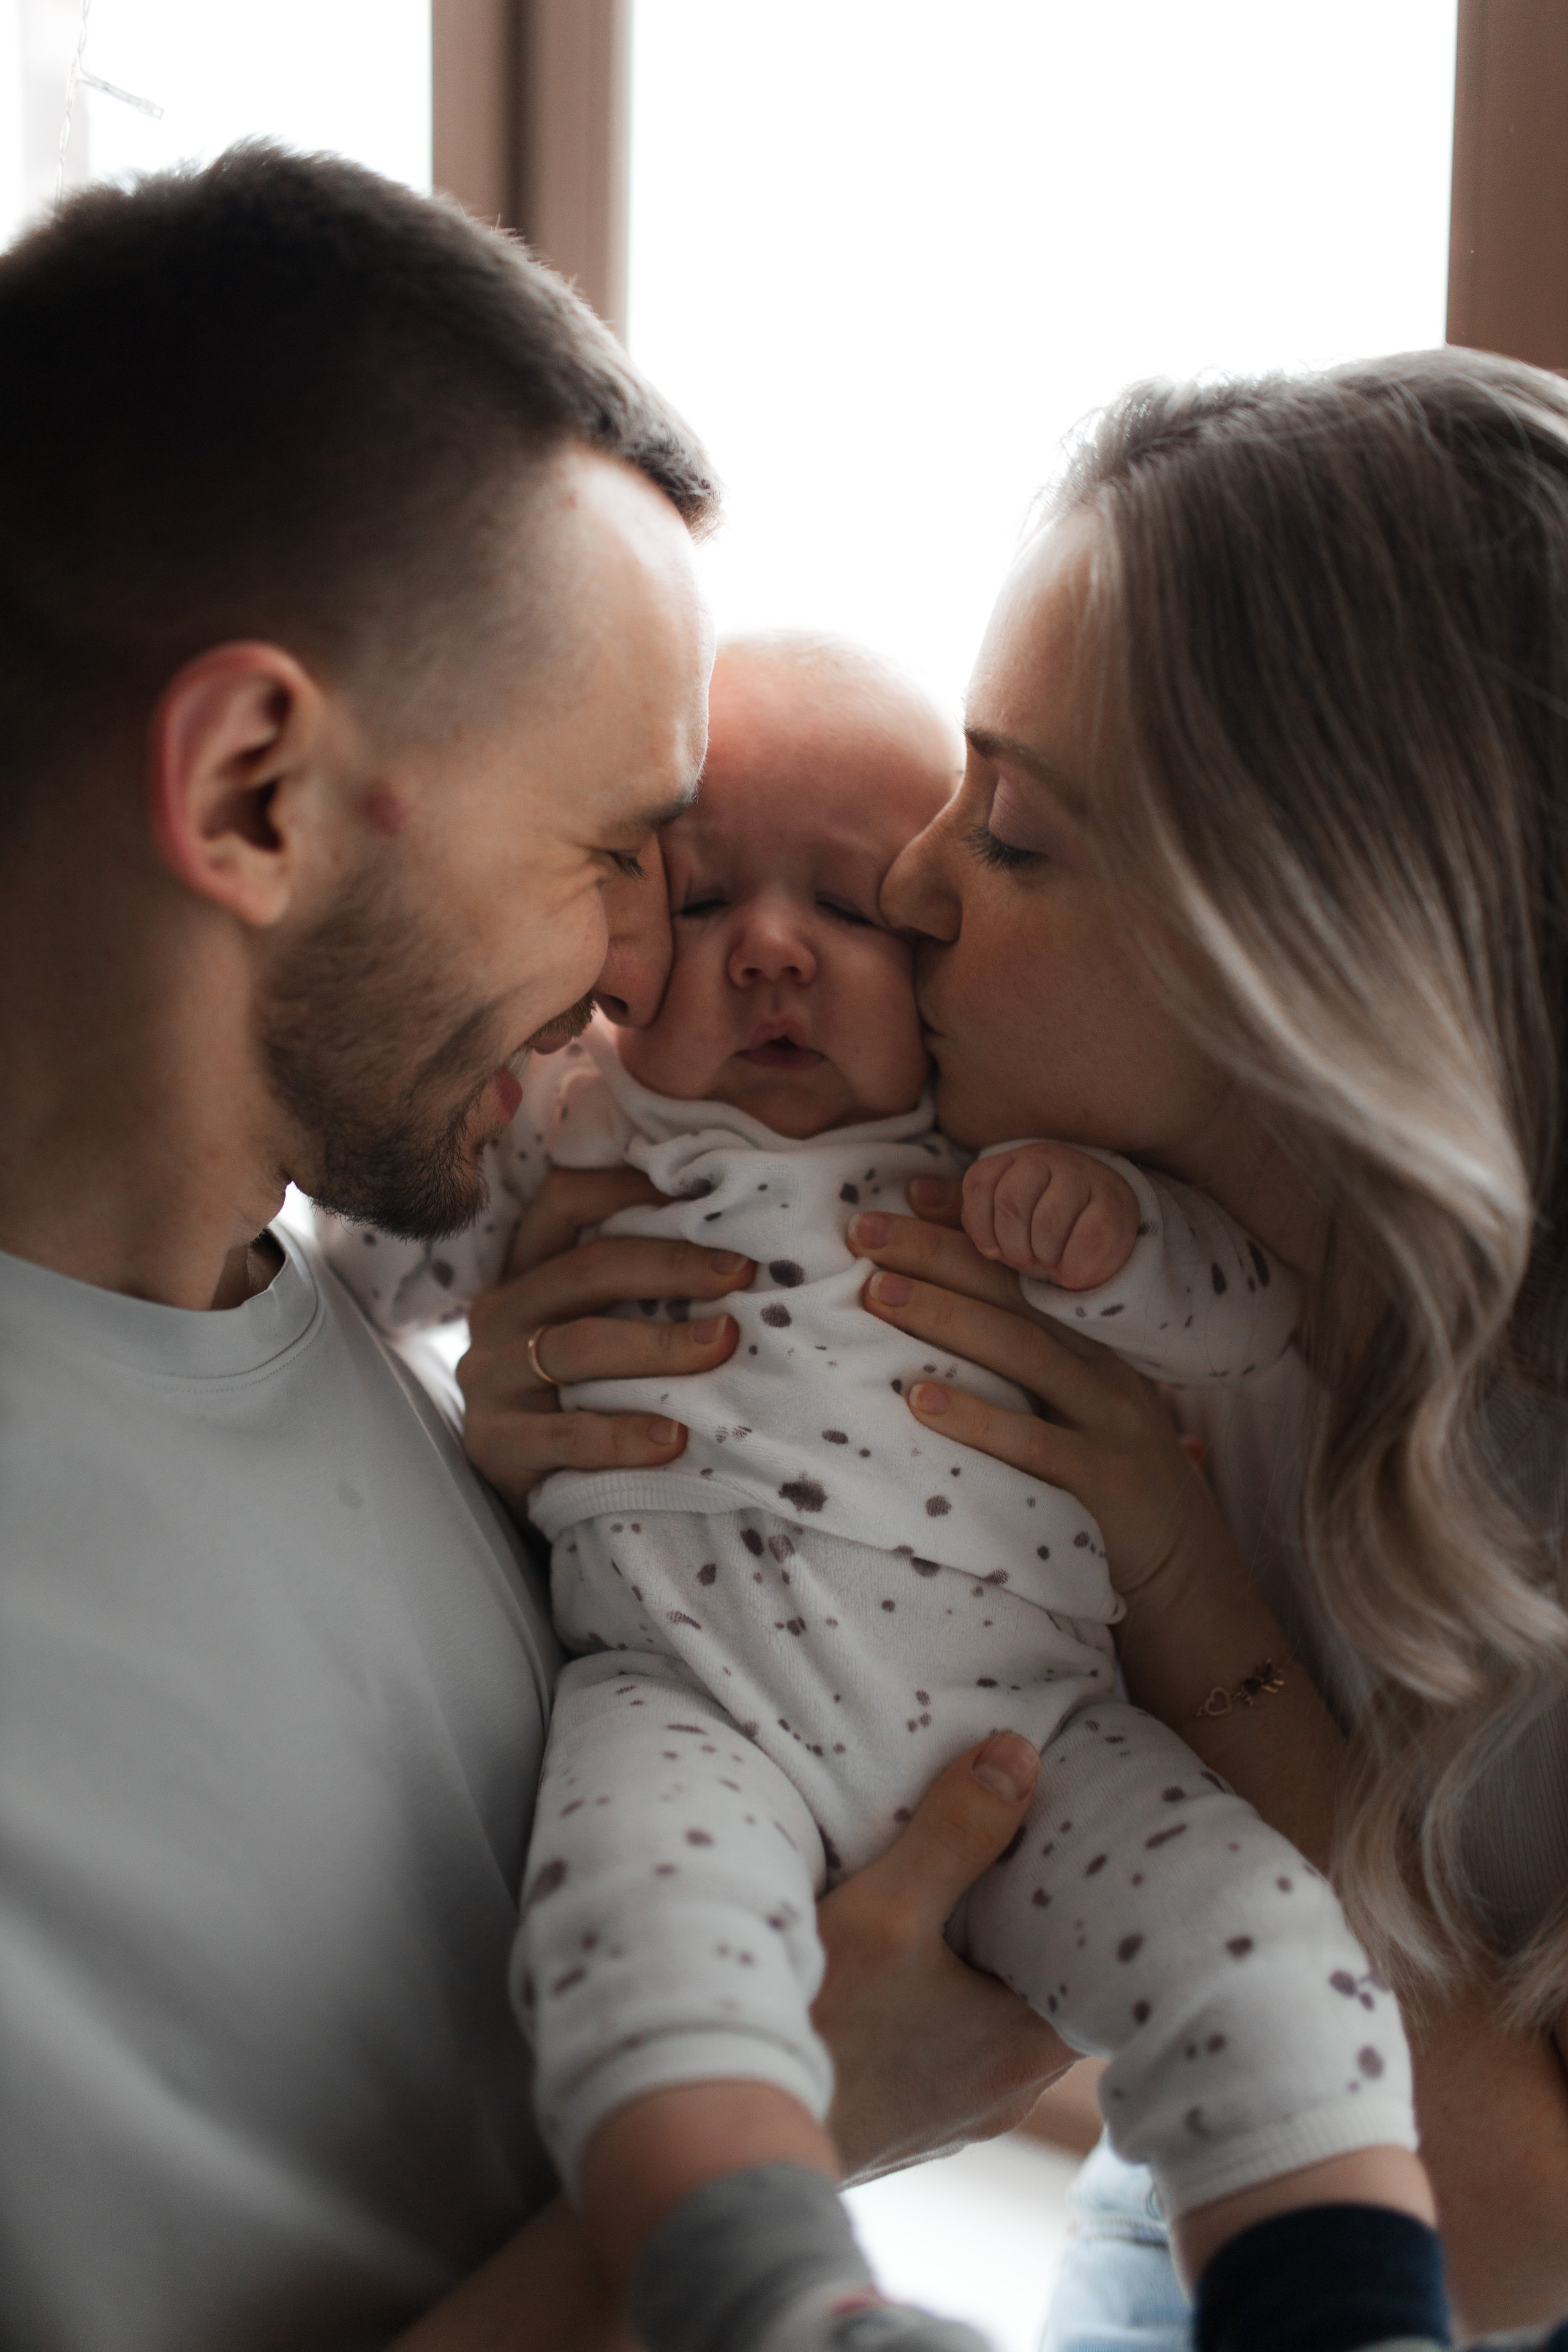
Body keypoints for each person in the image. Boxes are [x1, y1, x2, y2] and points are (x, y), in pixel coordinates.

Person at [0, 148, 1070, 2352]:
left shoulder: (365, 1329)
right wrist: (794, 2121)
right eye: (617, 849)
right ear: (254, 792)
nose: (637, 975)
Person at [328, 634, 1428, 2352]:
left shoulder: (997, 1158)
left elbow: (1242, 1314)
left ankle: (1338, 2310)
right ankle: (766, 2294)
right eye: (704, 900)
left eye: (849, 907)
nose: (772, 949)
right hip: (693, 1703)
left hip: (1035, 1730)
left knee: (1265, 1941)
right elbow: (372, 1270)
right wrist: (466, 1084)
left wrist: (1123, 1239)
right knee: (640, 1954)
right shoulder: (577, 1122)